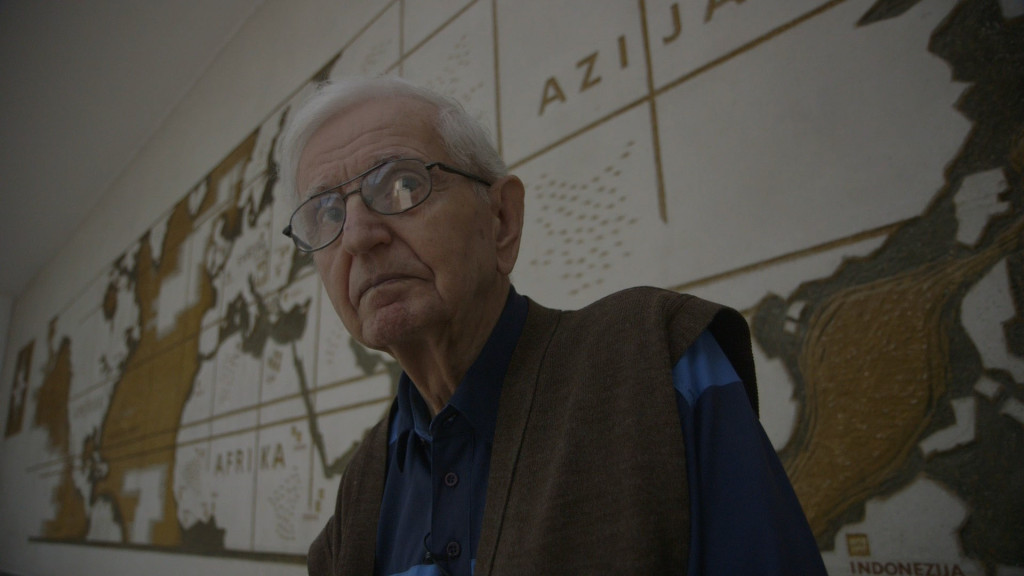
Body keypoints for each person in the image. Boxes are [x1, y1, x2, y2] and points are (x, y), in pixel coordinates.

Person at [278, 76, 827, 576]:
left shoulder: (658, 361)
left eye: (401, 184)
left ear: (502, 220)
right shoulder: (363, 482)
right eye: (326, 213)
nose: (358, 237)